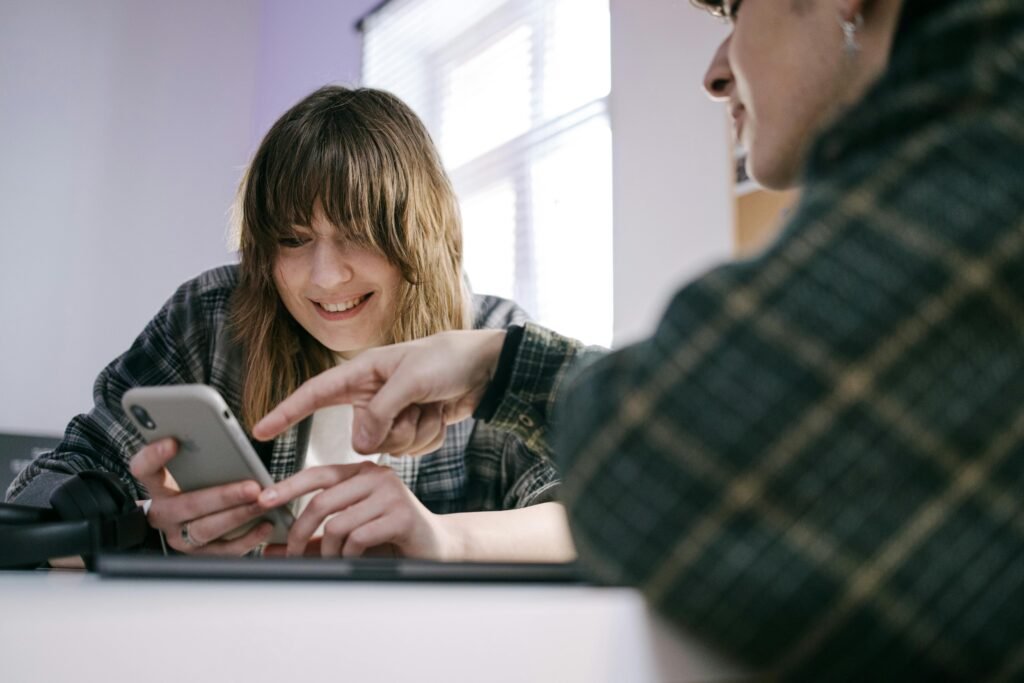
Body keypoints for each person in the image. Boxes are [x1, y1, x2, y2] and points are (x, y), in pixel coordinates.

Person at [251, 0, 1024, 679]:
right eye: (293, 239)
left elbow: (651, 472)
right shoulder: (213, 316)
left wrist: (451, 512)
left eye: (735, 8)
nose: (716, 73)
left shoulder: (979, 137)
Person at [6, 85, 575, 564]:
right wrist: (145, 527)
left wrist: (444, 537)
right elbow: (39, 492)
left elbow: (599, 516)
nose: (325, 277)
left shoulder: (490, 341)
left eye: (357, 232)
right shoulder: (213, 318)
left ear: (421, 234)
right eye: (293, 240)